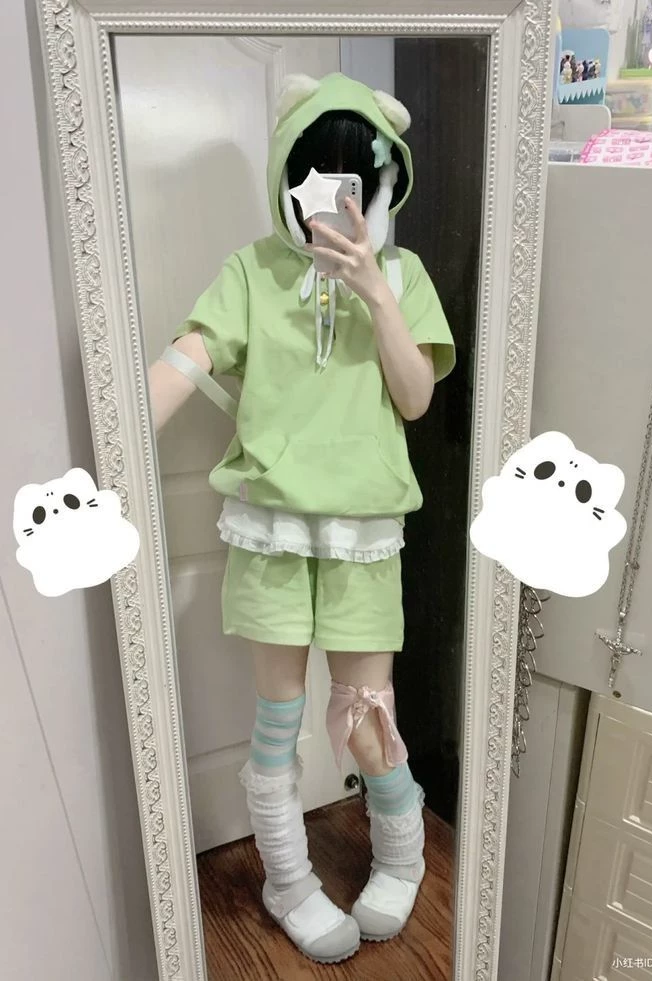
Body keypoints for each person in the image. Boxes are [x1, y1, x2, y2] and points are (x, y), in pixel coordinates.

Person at [148, 71, 455, 964]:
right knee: (277, 719)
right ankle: (287, 879)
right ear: (289, 179)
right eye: (317, 177)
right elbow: (189, 354)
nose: (336, 200)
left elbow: (415, 397)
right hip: (272, 527)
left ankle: (401, 857)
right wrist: (110, 438)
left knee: (366, 713)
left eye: (356, 179)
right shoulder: (252, 270)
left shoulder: (405, 275)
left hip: (365, 529)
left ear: (383, 185)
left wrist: (376, 292)